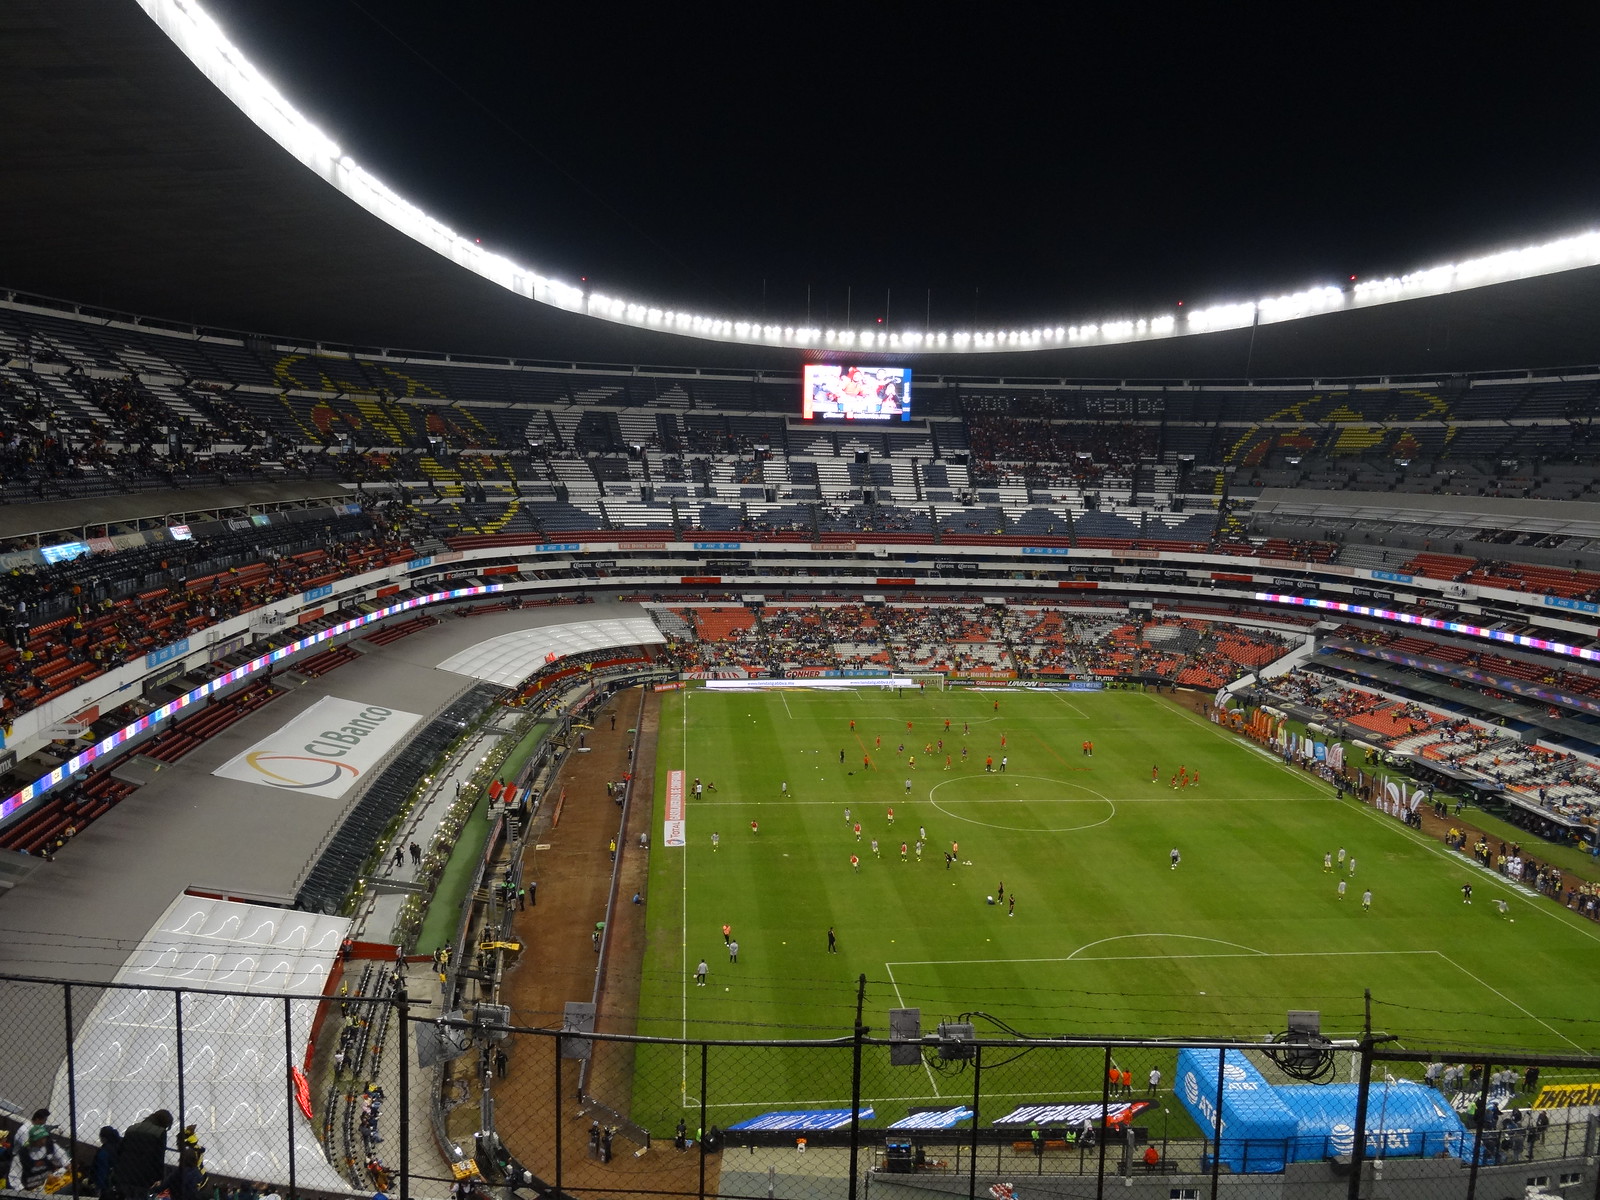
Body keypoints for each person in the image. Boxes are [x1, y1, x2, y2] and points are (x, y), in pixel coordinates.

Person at [114, 1110, 174, 1200]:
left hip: (124, 1174)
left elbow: (120, 1151)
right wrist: (159, 1177)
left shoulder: (131, 1128)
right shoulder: (160, 1132)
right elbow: (159, 1157)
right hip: (143, 1177)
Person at [9, 1123, 67, 1193]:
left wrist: (67, 1164)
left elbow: (62, 1156)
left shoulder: (50, 1145)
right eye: (39, 1139)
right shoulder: (21, 1156)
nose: (43, 1141)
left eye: (44, 1138)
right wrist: (23, 1192)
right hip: (33, 1190)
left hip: (51, 1183)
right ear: (32, 1140)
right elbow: (14, 1177)